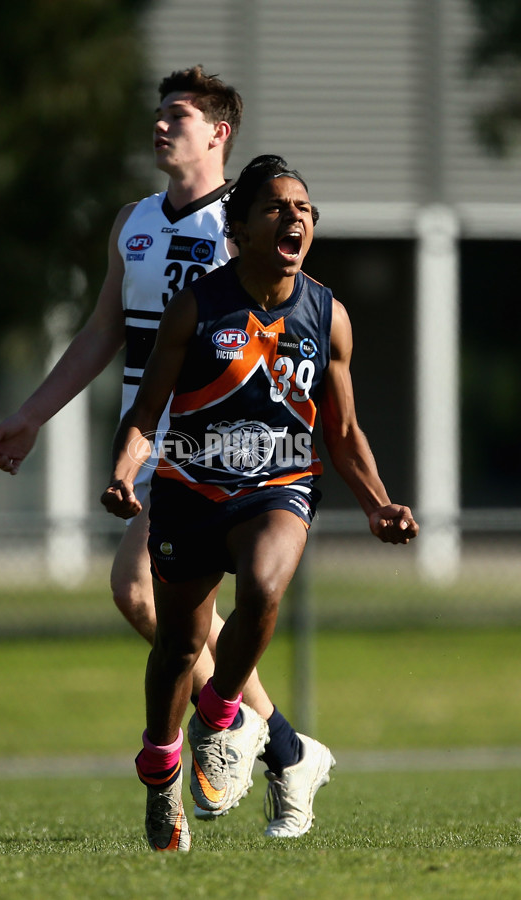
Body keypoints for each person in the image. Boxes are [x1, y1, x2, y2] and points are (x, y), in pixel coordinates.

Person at [0, 68, 333, 840]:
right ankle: (279, 746)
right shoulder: (133, 221)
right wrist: (33, 415)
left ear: (219, 133)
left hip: (218, 443)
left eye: (179, 114)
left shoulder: (247, 225)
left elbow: (299, 318)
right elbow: (104, 331)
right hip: (147, 437)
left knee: (138, 589)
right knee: (173, 618)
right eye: (160, 112)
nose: (162, 123)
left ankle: (238, 734)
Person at [101, 154, 419, 853]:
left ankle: (221, 719)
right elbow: (147, 413)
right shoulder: (196, 307)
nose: (295, 217)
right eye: (277, 207)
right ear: (239, 230)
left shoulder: (327, 315)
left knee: (267, 585)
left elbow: (340, 431)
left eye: (304, 209)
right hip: (189, 488)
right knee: (180, 644)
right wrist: (126, 473)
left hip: (279, 485)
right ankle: (161, 769)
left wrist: (378, 504)